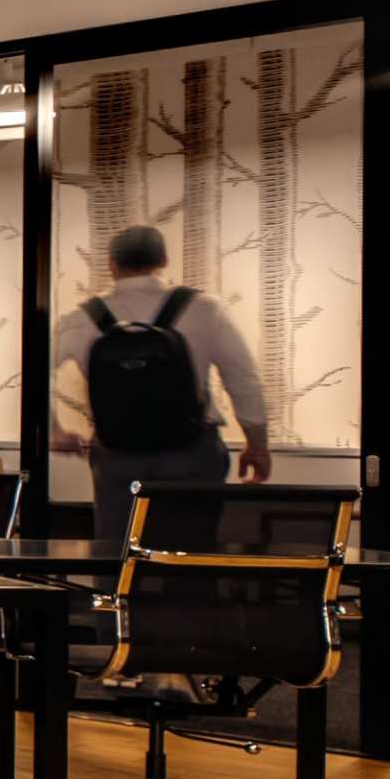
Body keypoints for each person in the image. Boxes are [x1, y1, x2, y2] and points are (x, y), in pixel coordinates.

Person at [51, 223, 269, 557]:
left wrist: (55, 430)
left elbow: (34, 374)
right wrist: (257, 443)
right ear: (164, 259)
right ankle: (185, 607)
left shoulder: (81, 318)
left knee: (117, 556)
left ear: (111, 263)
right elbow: (244, 379)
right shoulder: (203, 308)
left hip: (116, 455)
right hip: (192, 452)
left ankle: (115, 607)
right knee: (190, 561)